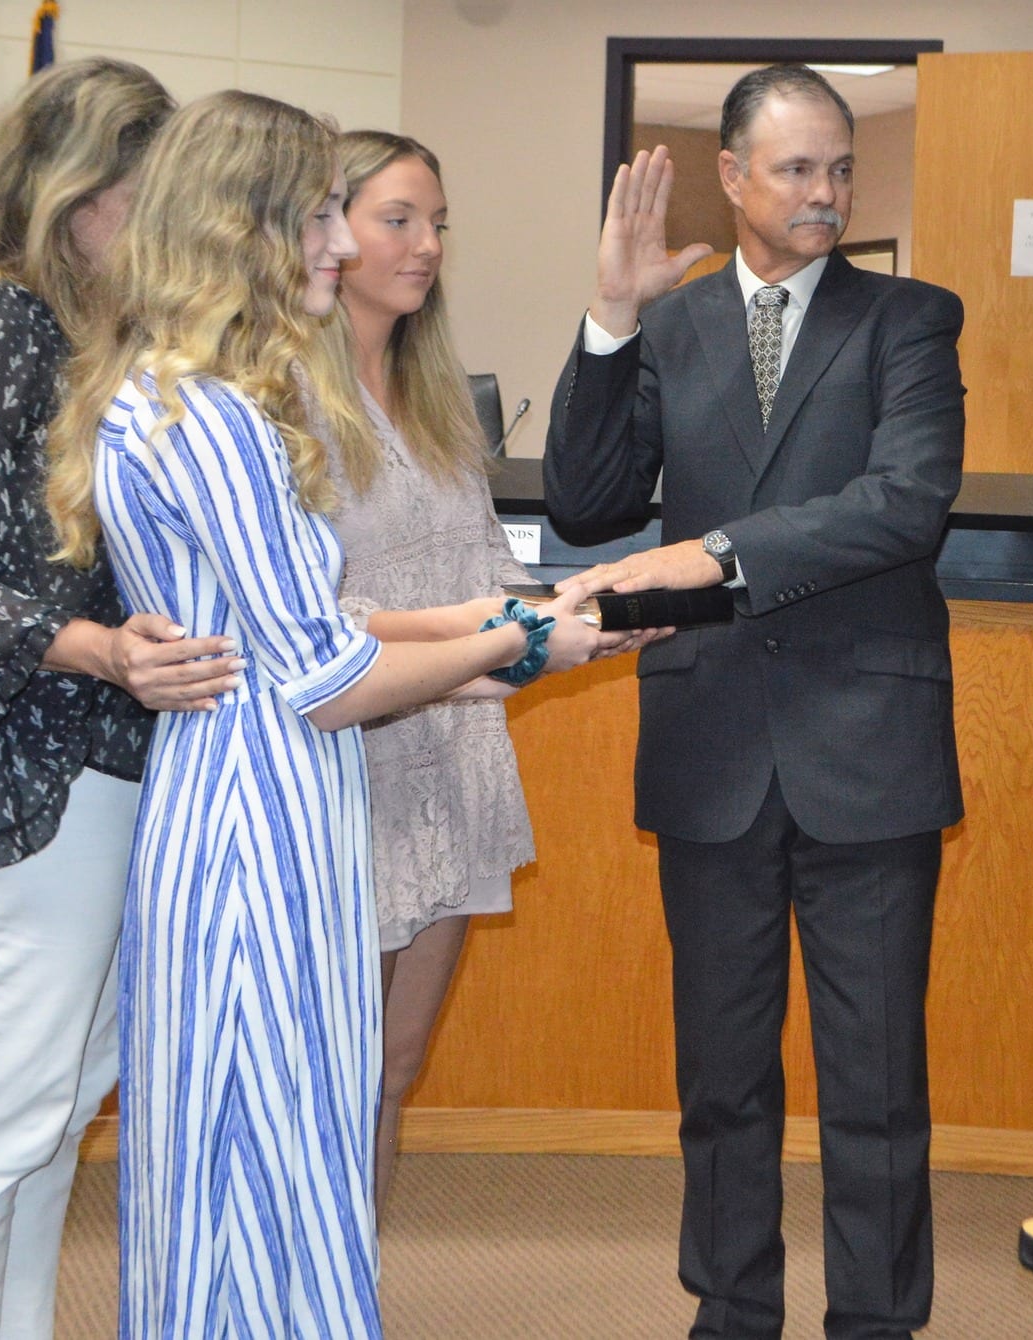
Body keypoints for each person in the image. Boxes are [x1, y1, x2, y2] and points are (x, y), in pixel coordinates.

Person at [42, 90, 600, 1336]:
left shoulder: (172, 393)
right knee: (263, 1165)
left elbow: (310, 636)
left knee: (264, 1156)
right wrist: (519, 639)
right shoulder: (216, 414)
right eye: (318, 218)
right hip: (260, 816)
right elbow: (325, 681)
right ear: (244, 226)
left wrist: (501, 637)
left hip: (254, 793)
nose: (342, 247)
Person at [545, 63, 965, 1339]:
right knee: (720, 1074)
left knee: (874, 1078)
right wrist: (611, 317)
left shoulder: (909, 318)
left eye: (840, 168)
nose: (826, 193)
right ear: (731, 178)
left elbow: (903, 504)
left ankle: (876, 1321)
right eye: (796, 169)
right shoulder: (668, 331)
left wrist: (715, 557)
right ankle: (731, 1308)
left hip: (869, 747)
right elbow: (586, 502)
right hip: (711, 740)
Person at [0, 58, 238, 1340]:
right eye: (140, 199)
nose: (154, 231)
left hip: (102, 767)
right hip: (28, 782)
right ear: (70, 193)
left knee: (56, 1114)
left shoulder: (80, 329)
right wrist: (93, 647)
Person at [321, 129, 646, 1208]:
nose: (424, 246)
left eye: (437, 224)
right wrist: (497, 637)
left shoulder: (434, 391)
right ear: (326, 231)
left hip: (451, 760)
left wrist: (576, 609)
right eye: (398, 219)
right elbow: (318, 618)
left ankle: (348, 1296)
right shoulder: (279, 402)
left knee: (391, 1073)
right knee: (328, 1078)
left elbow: (485, 566)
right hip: (350, 760)